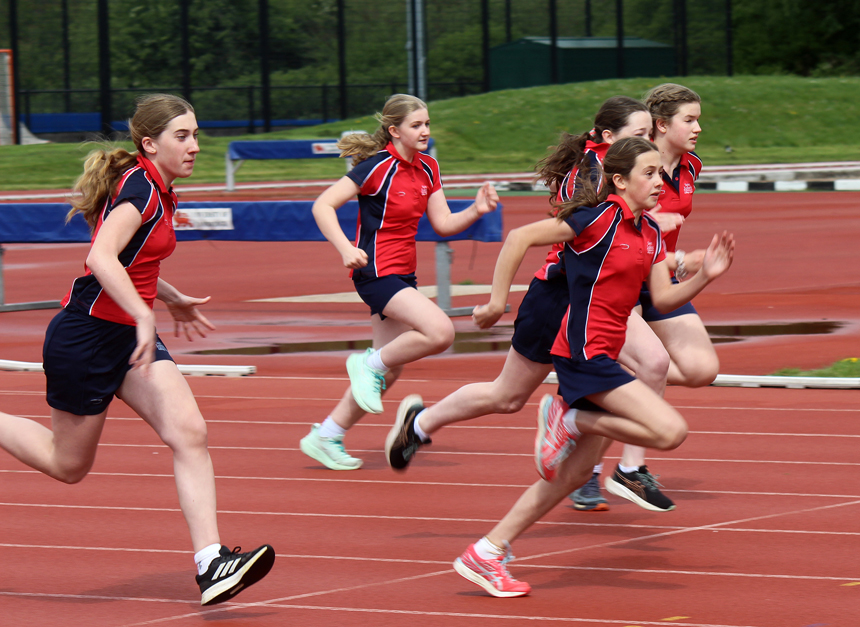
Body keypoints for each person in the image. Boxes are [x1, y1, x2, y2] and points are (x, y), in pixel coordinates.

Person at [0, 94, 275, 606]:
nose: (194, 146)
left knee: (190, 432)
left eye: (196, 135)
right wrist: (145, 312)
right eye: (182, 137)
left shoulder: (161, 189)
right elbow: (101, 256)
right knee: (68, 466)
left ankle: (211, 562)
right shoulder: (141, 189)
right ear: (150, 144)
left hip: (127, 337)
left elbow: (134, 259)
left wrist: (169, 299)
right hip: (85, 337)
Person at [452, 137, 734, 597]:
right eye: (648, 172)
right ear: (619, 180)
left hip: (605, 352)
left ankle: (486, 551)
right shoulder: (595, 219)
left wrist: (705, 276)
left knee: (574, 475)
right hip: (583, 353)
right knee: (669, 431)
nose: (659, 182)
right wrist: (496, 301)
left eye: (660, 173)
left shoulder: (650, 233)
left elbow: (662, 299)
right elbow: (519, 237)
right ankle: (569, 417)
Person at [383, 97, 670, 509]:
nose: (649, 142)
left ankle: (624, 469)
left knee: (651, 365)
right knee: (508, 397)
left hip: (599, 303)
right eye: (640, 134)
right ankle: (421, 422)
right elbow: (536, 237)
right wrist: (498, 301)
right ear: (610, 137)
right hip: (560, 298)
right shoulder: (588, 176)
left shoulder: (633, 175)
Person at [300, 94, 498, 470]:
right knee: (440, 332)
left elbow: (442, 224)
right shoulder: (375, 168)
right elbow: (322, 205)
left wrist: (476, 210)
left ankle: (326, 435)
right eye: (416, 125)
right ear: (394, 131)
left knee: (389, 371)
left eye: (427, 124)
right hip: (374, 271)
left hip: (403, 273)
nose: (424, 131)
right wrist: (345, 248)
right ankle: (366, 364)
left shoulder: (428, 168)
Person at [595, 83, 715, 513]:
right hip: (623, 276)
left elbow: (666, 228)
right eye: (690, 119)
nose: (698, 127)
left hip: (660, 274)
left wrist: (681, 260)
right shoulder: (631, 166)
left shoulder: (691, 166)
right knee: (651, 366)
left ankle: (606, 390)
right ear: (662, 126)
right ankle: (623, 469)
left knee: (701, 369)